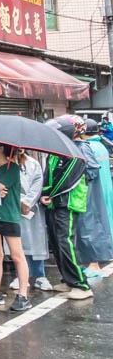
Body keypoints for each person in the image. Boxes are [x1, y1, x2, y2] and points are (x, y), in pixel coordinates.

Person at [42, 117, 92, 300]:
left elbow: (66, 181)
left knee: (66, 242)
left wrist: (50, 194)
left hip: (67, 204)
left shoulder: (75, 154)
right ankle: (68, 280)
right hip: (54, 203)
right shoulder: (55, 153)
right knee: (56, 242)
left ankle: (81, 284)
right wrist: (44, 194)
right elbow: (47, 176)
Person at [0, 143, 31, 312]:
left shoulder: (13, 169)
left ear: (0, 149)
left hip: (9, 216)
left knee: (17, 255)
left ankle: (23, 295)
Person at [75, 119, 113, 281]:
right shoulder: (101, 146)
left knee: (93, 226)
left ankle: (95, 261)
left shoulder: (87, 148)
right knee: (106, 222)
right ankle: (108, 251)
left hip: (93, 190)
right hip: (106, 187)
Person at [10, 149, 51, 292]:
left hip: (30, 208)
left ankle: (40, 275)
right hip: (12, 208)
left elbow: (37, 185)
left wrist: (27, 202)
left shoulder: (33, 164)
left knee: (36, 242)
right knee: (18, 243)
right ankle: (21, 276)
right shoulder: (6, 164)